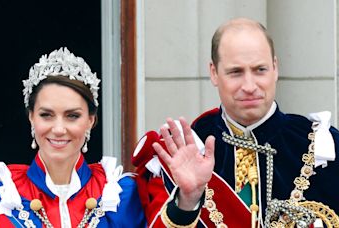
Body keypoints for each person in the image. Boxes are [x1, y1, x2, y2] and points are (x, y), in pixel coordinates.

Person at [132, 18, 339, 227]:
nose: (249, 86)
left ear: (275, 67)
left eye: (260, 69)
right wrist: (187, 200)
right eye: (236, 72)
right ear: (214, 72)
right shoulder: (185, 151)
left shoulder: (323, 147)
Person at [0, 47, 146, 228]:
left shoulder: (120, 194)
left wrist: (179, 196)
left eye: (72, 116)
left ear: (90, 121)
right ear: (31, 118)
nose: (59, 129)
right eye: (46, 115)